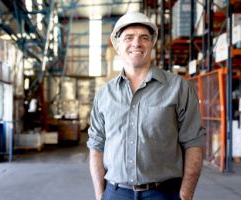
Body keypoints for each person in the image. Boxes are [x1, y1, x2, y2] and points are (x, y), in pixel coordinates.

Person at [87, 11, 206, 200]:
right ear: (117, 46)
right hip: (116, 193)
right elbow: (96, 145)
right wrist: (101, 194)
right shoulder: (104, 95)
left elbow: (193, 143)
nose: (136, 43)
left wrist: (185, 195)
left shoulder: (179, 88)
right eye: (128, 37)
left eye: (144, 37)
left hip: (164, 193)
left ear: (152, 44)